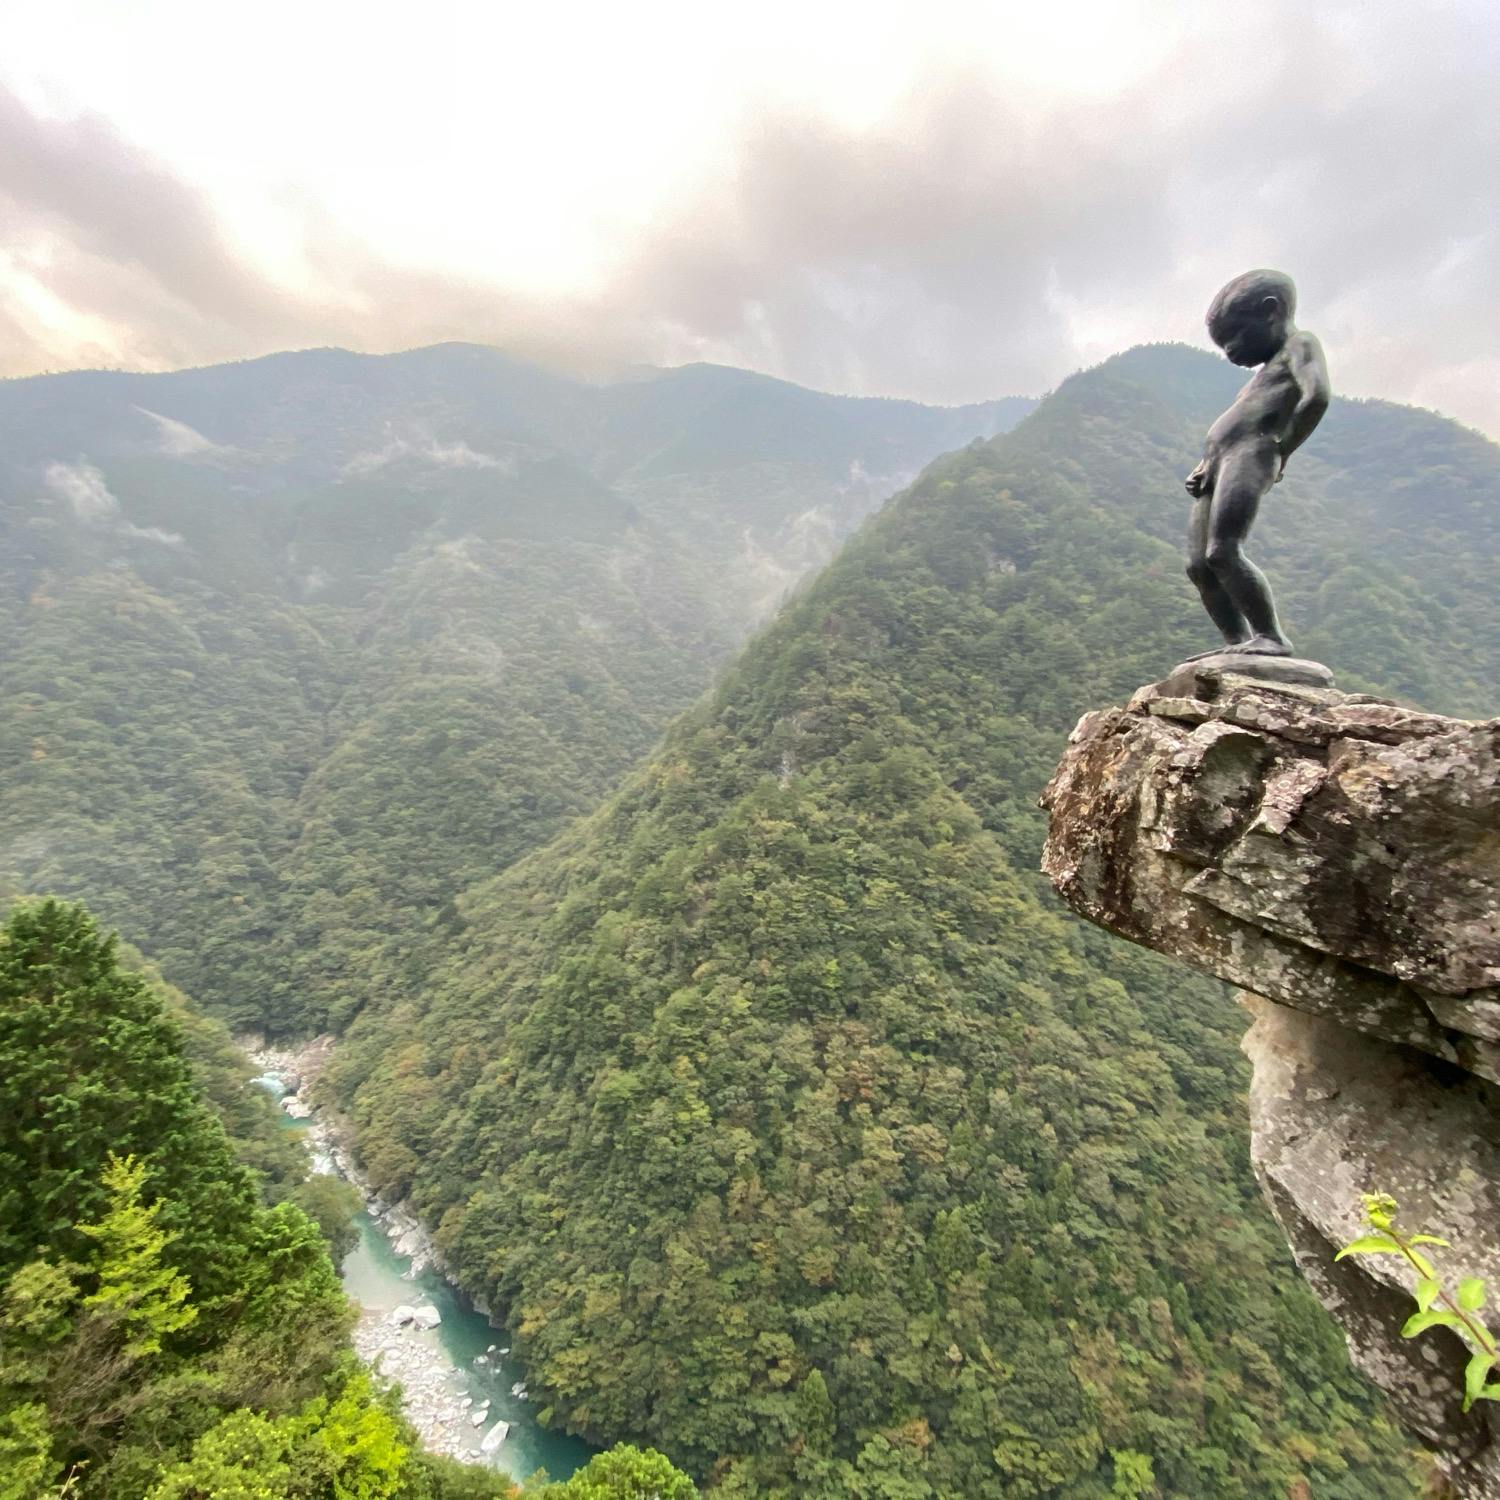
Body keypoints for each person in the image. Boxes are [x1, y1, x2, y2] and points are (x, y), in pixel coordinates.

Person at [1183, 269, 1330, 658]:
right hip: (1218, 464)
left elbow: (1316, 397)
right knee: (1199, 565)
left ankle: (1271, 637)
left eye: (1234, 337)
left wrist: (1283, 447)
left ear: (1271, 311)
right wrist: (1206, 461)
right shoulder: (1257, 379)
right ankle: (1236, 641)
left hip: (1252, 454)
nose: (1230, 351)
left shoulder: (1299, 345)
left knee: (1223, 550)